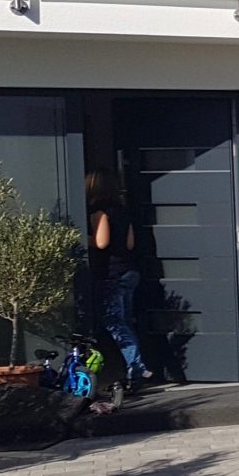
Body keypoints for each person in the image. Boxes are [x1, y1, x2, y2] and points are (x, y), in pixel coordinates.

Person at [87, 168, 151, 395]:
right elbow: (130, 243)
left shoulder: (99, 212)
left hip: (111, 275)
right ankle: (136, 368)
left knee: (115, 324)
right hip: (129, 272)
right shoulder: (123, 211)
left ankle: (137, 368)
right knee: (124, 321)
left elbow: (101, 242)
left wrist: (77, 237)